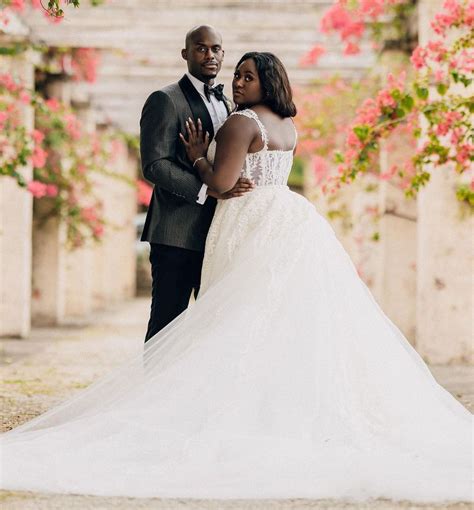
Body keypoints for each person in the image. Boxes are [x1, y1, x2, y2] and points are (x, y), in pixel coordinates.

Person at [0, 52, 471, 503]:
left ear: (268, 80)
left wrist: (196, 154)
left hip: (247, 218)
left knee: (234, 313)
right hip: (287, 216)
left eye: (247, 75)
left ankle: (196, 408)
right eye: (238, 75)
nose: (237, 82)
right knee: (271, 317)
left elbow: (223, 184)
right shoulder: (288, 125)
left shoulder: (241, 122)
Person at [139, 25, 254, 342]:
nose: (210, 55)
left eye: (216, 49)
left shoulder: (231, 105)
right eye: (201, 48)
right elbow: (154, 164)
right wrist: (206, 189)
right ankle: (156, 391)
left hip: (219, 233)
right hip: (176, 233)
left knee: (211, 329)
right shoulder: (165, 100)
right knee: (167, 324)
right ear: (185, 53)